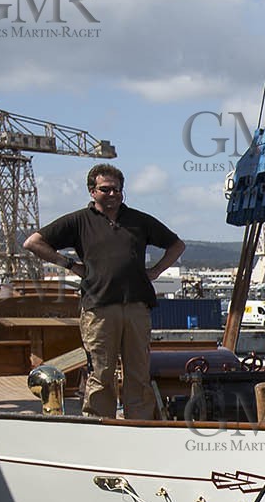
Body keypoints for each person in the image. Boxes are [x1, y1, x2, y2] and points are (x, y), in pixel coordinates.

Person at [23, 163, 185, 419]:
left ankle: (139, 425)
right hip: (98, 309)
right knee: (101, 373)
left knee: (139, 373)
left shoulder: (138, 220)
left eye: (117, 190)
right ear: (92, 191)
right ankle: (101, 424)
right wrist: (70, 264)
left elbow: (177, 245)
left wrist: (155, 271)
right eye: (105, 189)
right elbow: (33, 243)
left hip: (136, 307)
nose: (113, 195)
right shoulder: (79, 221)